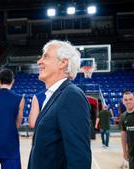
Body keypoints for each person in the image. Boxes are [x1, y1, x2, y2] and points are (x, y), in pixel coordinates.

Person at [28, 40, 91, 169]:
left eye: (46, 56)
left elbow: (79, 158)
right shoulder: (53, 95)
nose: (39, 61)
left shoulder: (71, 96)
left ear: (63, 62)